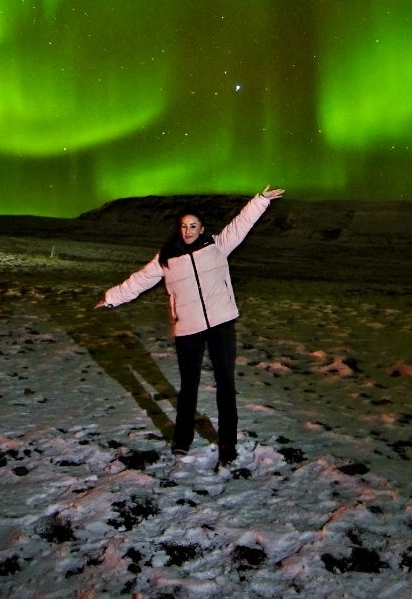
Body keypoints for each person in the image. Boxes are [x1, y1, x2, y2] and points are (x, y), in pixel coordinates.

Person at [94, 186, 285, 466]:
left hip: (220, 325)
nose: (188, 230)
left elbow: (241, 224)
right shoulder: (167, 257)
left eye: (193, 225)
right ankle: (181, 440)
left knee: (225, 385)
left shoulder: (218, 246)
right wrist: (111, 298)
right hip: (188, 330)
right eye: (184, 226)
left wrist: (260, 202)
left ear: (202, 228)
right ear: (179, 228)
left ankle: (227, 443)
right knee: (188, 387)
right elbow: (140, 280)